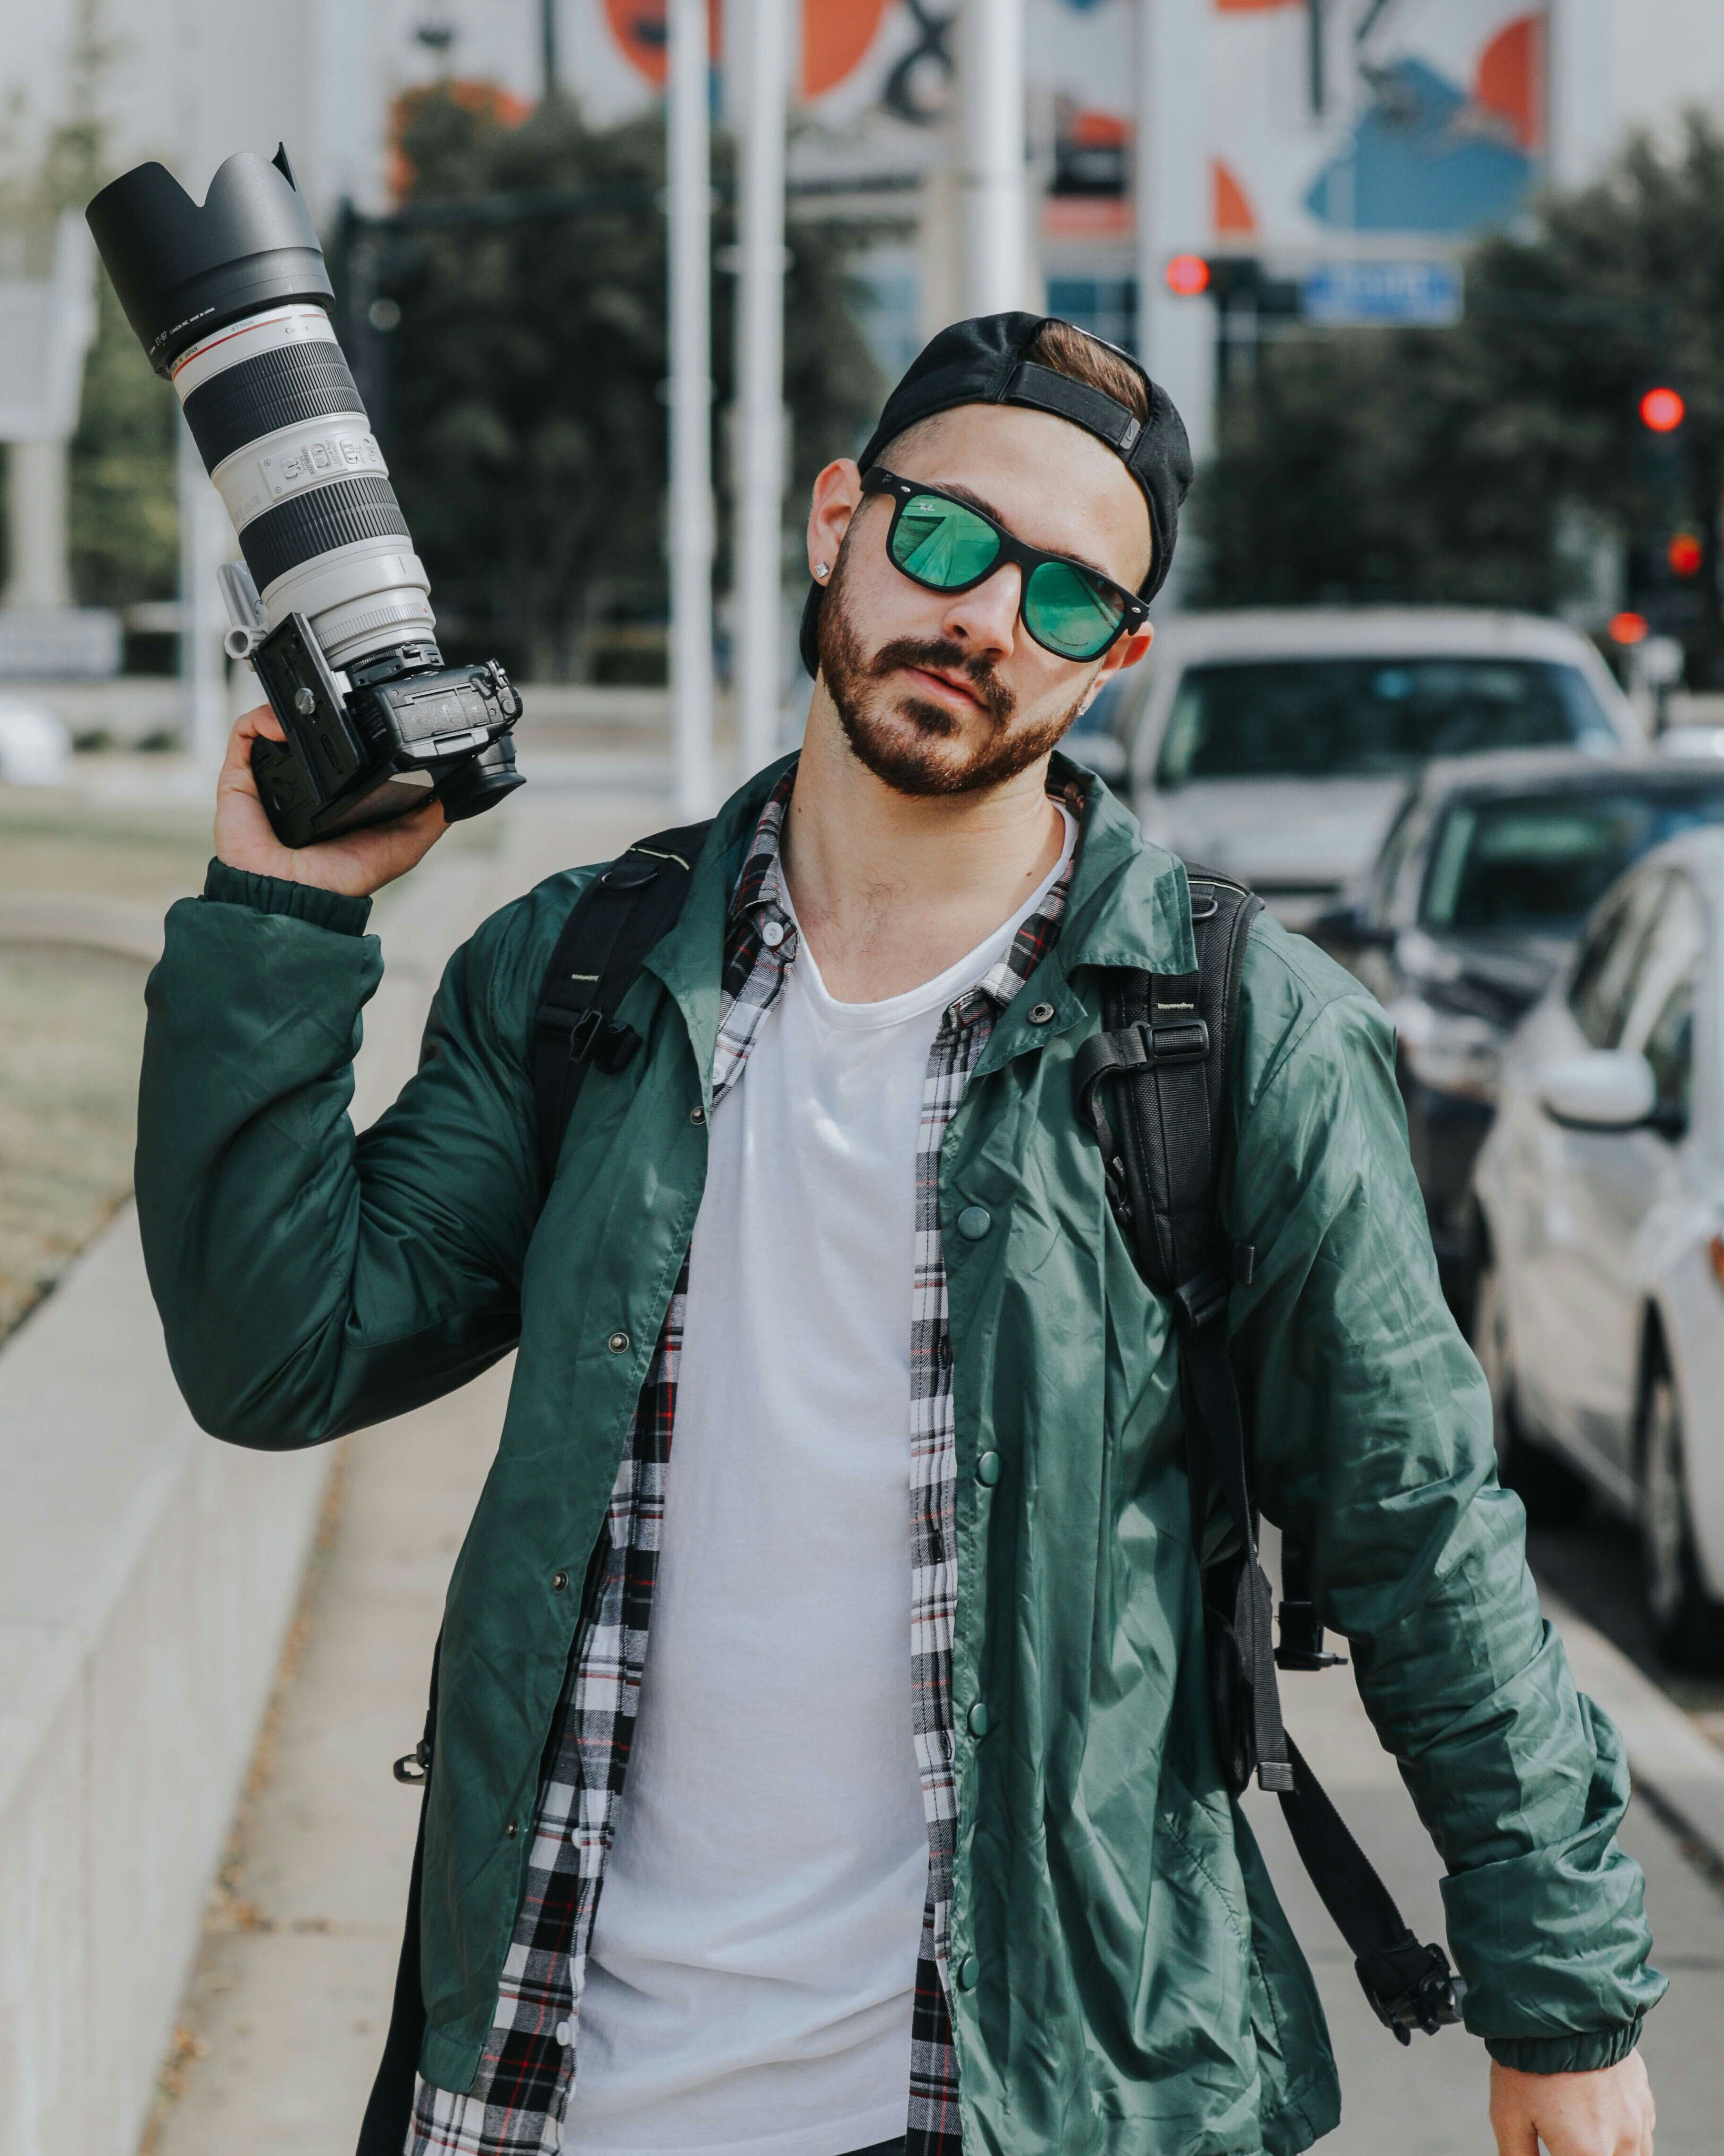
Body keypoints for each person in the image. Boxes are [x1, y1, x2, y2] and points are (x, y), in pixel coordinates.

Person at [135, 314, 1662, 2156]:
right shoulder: (579, 974)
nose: (990, 621)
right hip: (559, 2075)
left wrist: (1559, 2001)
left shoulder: (1228, 1028)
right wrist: (282, 927)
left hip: (1040, 2093)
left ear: (1117, 661)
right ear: (838, 517)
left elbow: (1421, 1534)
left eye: (1069, 601)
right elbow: (276, 1351)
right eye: (947, 542)